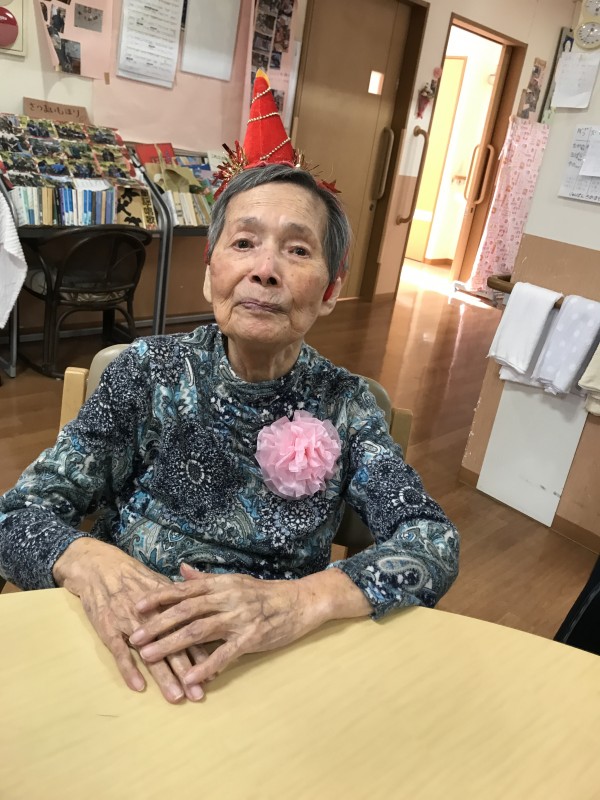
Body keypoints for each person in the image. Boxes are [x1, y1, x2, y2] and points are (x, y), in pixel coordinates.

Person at [0, 71, 459, 704]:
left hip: (267, 669)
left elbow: (432, 542)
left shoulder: (347, 406)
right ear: (210, 269)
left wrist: (300, 601)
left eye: (298, 251)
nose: (264, 270)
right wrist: (90, 561)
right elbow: (17, 515)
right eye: (244, 242)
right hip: (121, 649)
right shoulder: (146, 372)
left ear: (330, 290)